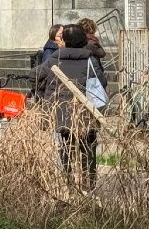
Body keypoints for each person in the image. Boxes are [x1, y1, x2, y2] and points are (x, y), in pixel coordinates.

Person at [32, 24, 105, 186]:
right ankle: (88, 186)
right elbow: (102, 82)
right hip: (86, 114)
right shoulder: (90, 60)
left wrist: (45, 94)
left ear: (63, 40)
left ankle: (68, 184)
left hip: (60, 113)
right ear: (84, 40)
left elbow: (34, 76)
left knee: (66, 147)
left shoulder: (53, 59)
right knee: (88, 149)